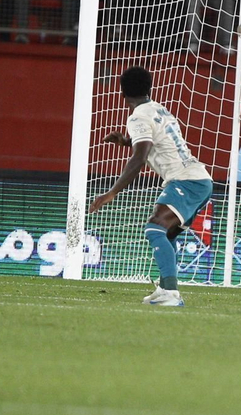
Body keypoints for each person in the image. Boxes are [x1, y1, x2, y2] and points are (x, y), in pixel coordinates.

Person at [86, 66, 212, 307]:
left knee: (154, 228)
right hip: (199, 179)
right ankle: (165, 287)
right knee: (168, 233)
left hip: (186, 180)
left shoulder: (137, 117)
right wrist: (126, 141)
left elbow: (139, 158)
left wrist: (111, 192)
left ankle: (171, 294)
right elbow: (155, 143)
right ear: (149, 88)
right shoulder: (159, 110)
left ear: (122, 92)